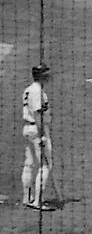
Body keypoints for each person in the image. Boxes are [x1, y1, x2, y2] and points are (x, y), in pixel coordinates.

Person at [20, 62, 55, 212]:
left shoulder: (28, 89)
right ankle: (37, 202)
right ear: (42, 76)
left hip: (28, 129)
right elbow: (37, 114)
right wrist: (42, 136)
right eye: (46, 75)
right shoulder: (37, 92)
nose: (49, 77)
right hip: (37, 129)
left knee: (29, 163)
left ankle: (27, 198)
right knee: (45, 165)